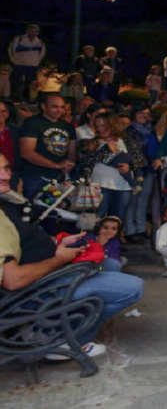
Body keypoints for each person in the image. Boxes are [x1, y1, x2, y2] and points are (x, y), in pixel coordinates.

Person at [0, 152, 143, 360]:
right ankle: (58, 339)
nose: (5, 175)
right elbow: (13, 280)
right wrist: (60, 258)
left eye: (5, 168)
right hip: (30, 292)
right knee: (133, 287)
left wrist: (56, 243)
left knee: (111, 264)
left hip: (42, 273)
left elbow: (20, 243)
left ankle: (58, 326)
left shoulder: (6, 203)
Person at [78, 112, 147, 218]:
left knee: (117, 219)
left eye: (102, 125)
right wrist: (106, 149)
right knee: (96, 218)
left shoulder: (128, 141)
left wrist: (130, 166)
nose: (99, 129)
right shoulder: (92, 143)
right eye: (97, 126)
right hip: (98, 186)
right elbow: (85, 161)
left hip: (123, 187)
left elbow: (142, 160)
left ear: (112, 125)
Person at [19, 95, 77, 199]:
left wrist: (69, 164)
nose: (59, 110)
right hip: (36, 176)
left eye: (62, 107)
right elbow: (26, 152)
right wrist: (55, 165)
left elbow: (72, 153)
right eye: (55, 106)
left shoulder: (68, 126)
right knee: (34, 211)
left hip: (60, 178)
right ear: (43, 106)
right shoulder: (33, 123)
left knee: (58, 213)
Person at [125, 105, 156, 238]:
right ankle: (130, 229)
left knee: (143, 199)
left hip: (150, 168)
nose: (144, 116)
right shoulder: (129, 131)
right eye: (140, 113)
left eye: (146, 113)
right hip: (135, 169)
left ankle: (141, 227)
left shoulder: (151, 130)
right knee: (133, 200)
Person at [8, 24, 46, 99]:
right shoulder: (19, 39)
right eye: (31, 31)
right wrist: (13, 59)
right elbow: (11, 49)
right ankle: (14, 97)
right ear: (27, 31)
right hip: (19, 64)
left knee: (30, 83)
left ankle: (26, 98)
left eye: (35, 31)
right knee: (16, 81)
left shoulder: (40, 42)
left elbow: (42, 54)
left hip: (32, 66)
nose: (33, 33)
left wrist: (36, 62)